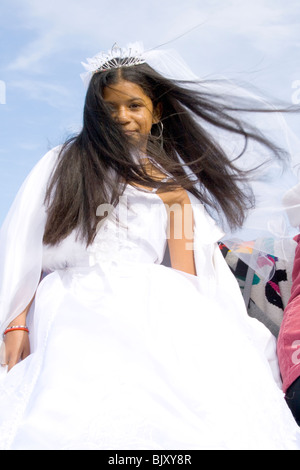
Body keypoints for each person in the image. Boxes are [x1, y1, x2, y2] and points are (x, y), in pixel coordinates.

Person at [0, 42, 299, 450]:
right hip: (72, 303)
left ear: (155, 112)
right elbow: (23, 246)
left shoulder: (170, 185)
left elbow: (186, 275)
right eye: (110, 108)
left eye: (135, 106)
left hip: (154, 304)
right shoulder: (61, 163)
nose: (122, 117)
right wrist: (15, 320)